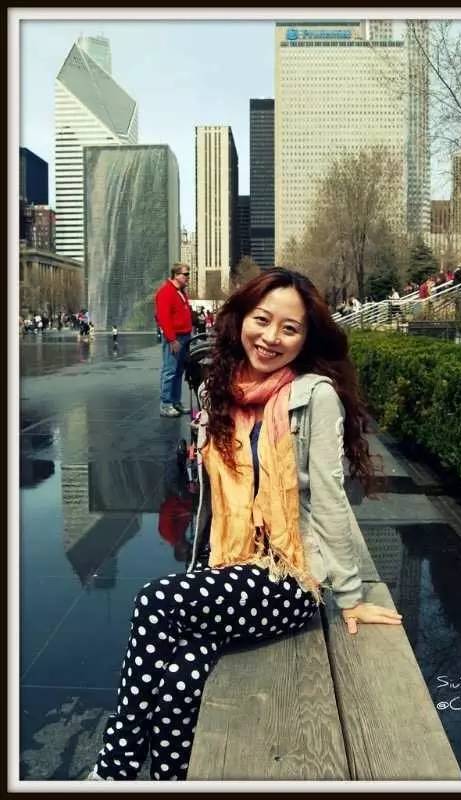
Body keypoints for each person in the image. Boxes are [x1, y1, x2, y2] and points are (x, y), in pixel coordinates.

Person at [87, 267, 402, 782]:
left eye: (289, 328)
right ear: (242, 319)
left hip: (290, 576)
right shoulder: (223, 389)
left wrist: (349, 595)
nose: (271, 337)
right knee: (180, 674)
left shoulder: (314, 395)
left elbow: (330, 499)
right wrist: (203, 569)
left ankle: (113, 771)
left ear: (306, 338)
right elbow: (213, 499)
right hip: (232, 565)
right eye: (262, 320)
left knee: (153, 602)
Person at [155, 264, 193, 418]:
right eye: (185, 274)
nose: (188, 277)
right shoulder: (166, 292)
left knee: (178, 371)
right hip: (175, 337)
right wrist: (172, 339)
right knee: (170, 370)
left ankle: (175, 402)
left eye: (188, 274)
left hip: (185, 336)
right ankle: (165, 404)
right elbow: (163, 318)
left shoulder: (180, 291)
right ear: (175, 275)